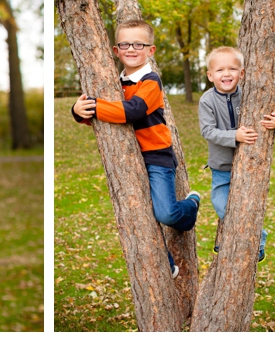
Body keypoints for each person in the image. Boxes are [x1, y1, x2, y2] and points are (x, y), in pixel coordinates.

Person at [71, 19, 200, 278]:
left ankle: (192, 206)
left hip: (156, 156)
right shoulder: (111, 82)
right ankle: (168, 263)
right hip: (129, 159)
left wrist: (96, 106)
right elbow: (98, 113)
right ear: (116, 50)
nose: (131, 49)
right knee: (138, 214)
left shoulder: (151, 81)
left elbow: (133, 111)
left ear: (150, 50)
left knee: (166, 213)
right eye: (125, 44)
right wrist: (79, 112)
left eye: (138, 44)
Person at [198, 46, 275, 263]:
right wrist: (234, 136)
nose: (226, 74)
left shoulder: (250, 96)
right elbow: (207, 131)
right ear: (210, 75)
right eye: (219, 70)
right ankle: (235, 237)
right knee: (221, 205)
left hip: (249, 166)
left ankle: (257, 243)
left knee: (247, 208)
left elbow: (271, 114)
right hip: (222, 167)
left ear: (242, 73)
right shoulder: (207, 101)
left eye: (232, 69)